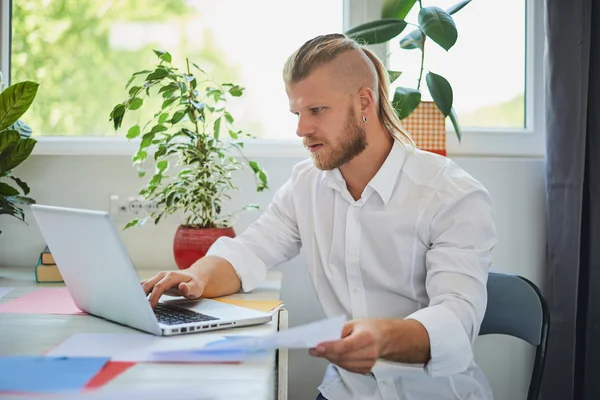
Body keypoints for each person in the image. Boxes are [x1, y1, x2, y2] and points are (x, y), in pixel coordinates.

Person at [142, 33, 497, 400]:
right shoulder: (306, 185)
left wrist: (383, 338)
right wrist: (193, 277)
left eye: (316, 111)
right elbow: (249, 251)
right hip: (345, 391)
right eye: (297, 113)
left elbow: (457, 320)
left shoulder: (452, 195)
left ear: (364, 102)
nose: (301, 130)